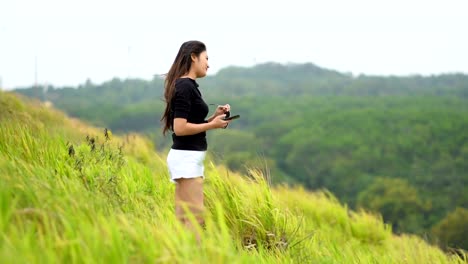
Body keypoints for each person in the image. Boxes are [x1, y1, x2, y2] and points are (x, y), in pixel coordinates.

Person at [161, 40, 232, 240]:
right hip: (186, 158)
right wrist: (212, 125)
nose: (208, 64)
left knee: (184, 218)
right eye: (206, 58)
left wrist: (213, 118)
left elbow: (189, 125)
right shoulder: (184, 85)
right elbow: (180, 128)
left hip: (186, 156)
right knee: (195, 218)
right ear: (194, 56)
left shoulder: (187, 85)